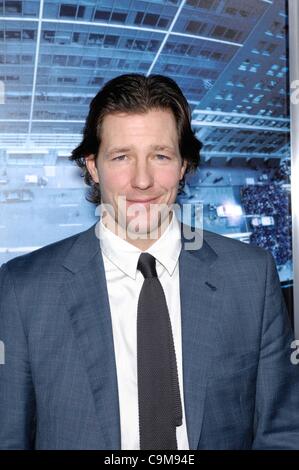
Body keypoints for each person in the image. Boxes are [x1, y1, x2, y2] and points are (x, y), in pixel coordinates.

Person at [0, 74, 298, 450]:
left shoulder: (252, 277)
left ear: (184, 164)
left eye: (160, 156)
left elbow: (283, 432)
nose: (142, 180)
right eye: (122, 157)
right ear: (93, 166)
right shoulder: (24, 289)